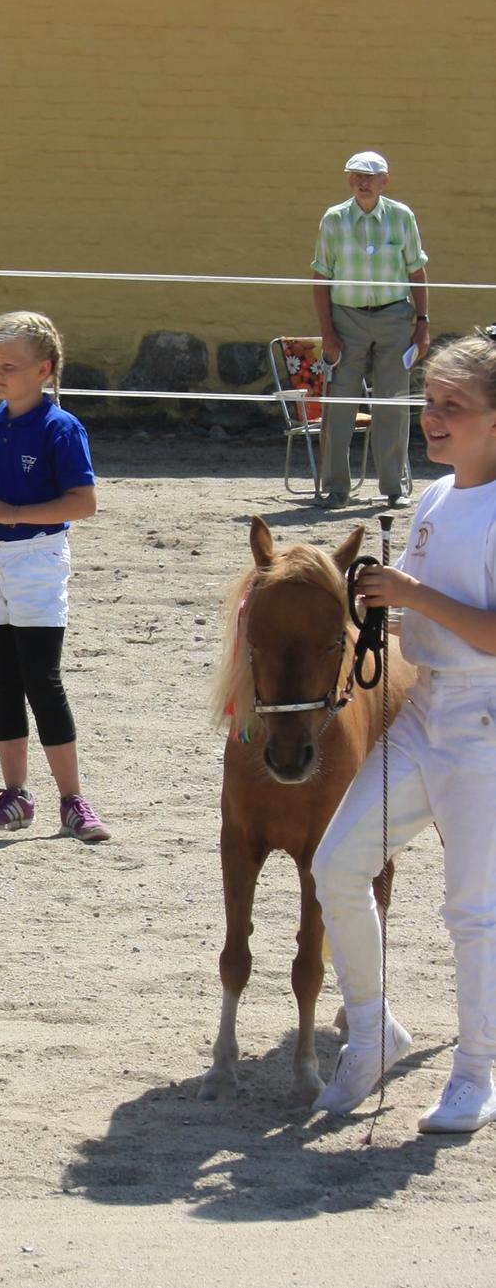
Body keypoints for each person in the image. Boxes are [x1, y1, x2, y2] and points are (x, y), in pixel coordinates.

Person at [312, 329, 496, 1133]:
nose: (434, 419)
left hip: (484, 719)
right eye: (430, 405)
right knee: (337, 864)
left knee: (474, 910)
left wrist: (413, 594)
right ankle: (373, 1025)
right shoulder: (431, 497)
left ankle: (476, 1072)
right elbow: (416, 614)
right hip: (424, 712)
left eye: (454, 406)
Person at [0, 311, 107, 843]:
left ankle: (72, 798)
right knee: (2, 679)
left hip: (36, 560)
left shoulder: (61, 428)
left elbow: (82, 502)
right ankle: (15, 794)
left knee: (42, 679)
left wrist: (13, 512)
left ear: (44, 369)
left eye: (10, 366)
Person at [312, 149, 431, 510]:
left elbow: (416, 270)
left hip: (394, 316)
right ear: (349, 180)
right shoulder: (334, 219)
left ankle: (394, 488)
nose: (362, 182)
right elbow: (320, 276)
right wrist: (328, 332)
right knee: (339, 403)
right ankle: (335, 488)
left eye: (369, 176)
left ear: (384, 181)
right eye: (355, 176)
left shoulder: (401, 216)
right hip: (346, 318)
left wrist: (422, 323)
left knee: (391, 403)